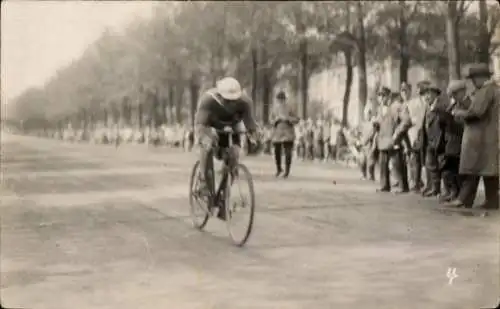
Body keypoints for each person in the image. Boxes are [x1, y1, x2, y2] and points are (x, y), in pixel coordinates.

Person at [194, 77, 259, 219]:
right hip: (209, 127)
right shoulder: (208, 100)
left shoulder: (245, 102)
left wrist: (254, 136)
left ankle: (223, 197)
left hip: (231, 128)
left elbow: (250, 122)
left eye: (234, 100)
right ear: (219, 95)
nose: (231, 103)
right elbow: (201, 126)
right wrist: (207, 137)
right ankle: (205, 185)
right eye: (227, 100)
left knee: (234, 156)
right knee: (207, 145)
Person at [444, 63, 499, 209]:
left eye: (474, 78)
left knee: (472, 169)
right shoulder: (495, 90)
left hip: (479, 137)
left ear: (481, 78)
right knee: (489, 171)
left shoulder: (485, 91)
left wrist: (460, 113)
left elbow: (477, 112)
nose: (473, 82)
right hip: (489, 136)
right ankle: (492, 200)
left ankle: (464, 199)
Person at [373, 86, 411, 193]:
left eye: (383, 95)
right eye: (379, 95)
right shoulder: (380, 109)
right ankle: (384, 185)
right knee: (383, 164)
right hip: (383, 141)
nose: (380, 98)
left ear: (389, 96)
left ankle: (403, 187)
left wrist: (397, 133)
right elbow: (380, 122)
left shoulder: (397, 106)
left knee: (397, 164)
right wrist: (376, 124)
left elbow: (407, 121)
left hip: (394, 140)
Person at [438, 80, 466, 203]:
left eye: (455, 94)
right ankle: (453, 191)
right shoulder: (454, 104)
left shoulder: (467, 103)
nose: (453, 97)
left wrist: (452, 119)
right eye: (451, 95)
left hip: (460, 140)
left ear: (462, 91)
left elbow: (466, 122)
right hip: (450, 140)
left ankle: (459, 194)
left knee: (458, 169)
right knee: (450, 168)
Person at [420, 81, 447, 198]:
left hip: (439, 141)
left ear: (436, 94)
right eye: (425, 94)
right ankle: (434, 188)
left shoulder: (441, 106)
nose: (427, 97)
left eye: (429, 94)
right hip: (430, 141)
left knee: (442, 166)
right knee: (431, 165)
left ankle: (445, 190)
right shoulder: (428, 107)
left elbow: (443, 123)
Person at [404, 81, 429, 192]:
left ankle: (417, 182)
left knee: (418, 159)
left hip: (419, 133)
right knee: (416, 159)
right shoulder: (415, 103)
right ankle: (416, 182)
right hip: (416, 133)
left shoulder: (413, 103)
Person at [270, 91, 299, 178]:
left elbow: (297, 119)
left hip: (288, 133)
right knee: (277, 152)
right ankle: (279, 168)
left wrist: (288, 118)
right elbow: (270, 120)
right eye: (279, 100)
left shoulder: (290, 108)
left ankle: (287, 171)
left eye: (282, 99)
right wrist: (276, 119)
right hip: (277, 133)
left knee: (288, 153)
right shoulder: (274, 109)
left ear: (285, 99)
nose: (280, 101)